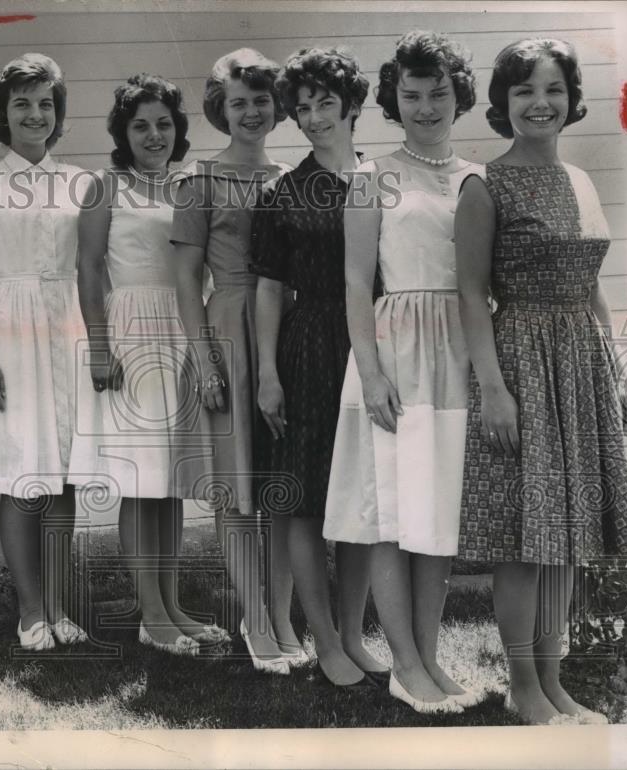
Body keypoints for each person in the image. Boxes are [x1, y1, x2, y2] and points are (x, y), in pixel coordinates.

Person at [455, 37, 627, 725]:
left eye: (553, 89)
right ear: (502, 104)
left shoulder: (580, 180)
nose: (540, 103)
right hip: (523, 362)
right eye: (525, 90)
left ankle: (554, 684)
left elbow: (590, 287)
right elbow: (472, 295)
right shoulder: (484, 185)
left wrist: (611, 367)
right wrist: (494, 389)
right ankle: (522, 687)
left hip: (579, 365)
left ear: (571, 99)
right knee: (526, 538)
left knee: (566, 532)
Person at [323, 30, 481, 713]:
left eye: (437, 93)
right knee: (390, 513)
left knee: (435, 512)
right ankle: (404, 665)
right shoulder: (372, 175)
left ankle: (430, 660)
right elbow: (357, 284)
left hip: (455, 353)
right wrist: (373, 371)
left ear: (459, 96)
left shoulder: (477, 175)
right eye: (411, 95)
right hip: (392, 354)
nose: (424, 107)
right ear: (394, 100)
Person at [69, 74, 229, 655]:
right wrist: (100, 345)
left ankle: (174, 603)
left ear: (177, 129)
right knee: (141, 481)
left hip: (183, 329)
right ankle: (152, 617)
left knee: (172, 480)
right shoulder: (104, 187)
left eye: (163, 123)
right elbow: (87, 271)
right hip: (132, 333)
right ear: (123, 133)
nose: (154, 134)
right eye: (140, 125)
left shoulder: (190, 186)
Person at [0, 53, 92, 650]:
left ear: (57, 115)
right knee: (23, 474)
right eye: (22, 104)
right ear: (3, 114)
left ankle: (60, 606)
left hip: (68, 329)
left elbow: (92, 265)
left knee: (63, 477)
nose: (35, 115)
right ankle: (30, 610)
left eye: (44, 105)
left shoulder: (81, 183)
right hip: (9, 334)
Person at [252, 47, 381, 688]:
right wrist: (268, 375)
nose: (312, 117)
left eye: (324, 104)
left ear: (352, 106)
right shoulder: (283, 189)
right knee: (304, 497)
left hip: (373, 348)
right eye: (301, 108)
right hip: (307, 346)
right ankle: (323, 639)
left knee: (359, 492)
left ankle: (355, 634)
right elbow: (269, 287)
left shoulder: (382, 180)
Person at [171, 49, 291, 674]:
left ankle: (289, 615)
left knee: (286, 487)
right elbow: (186, 279)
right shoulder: (200, 181)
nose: (251, 112)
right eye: (239, 102)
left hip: (287, 330)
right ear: (221, 110)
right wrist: (205, 360)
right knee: (239, 488)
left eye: (261, 99)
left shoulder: (295, 176)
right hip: (227, 333)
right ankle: (255, 617)